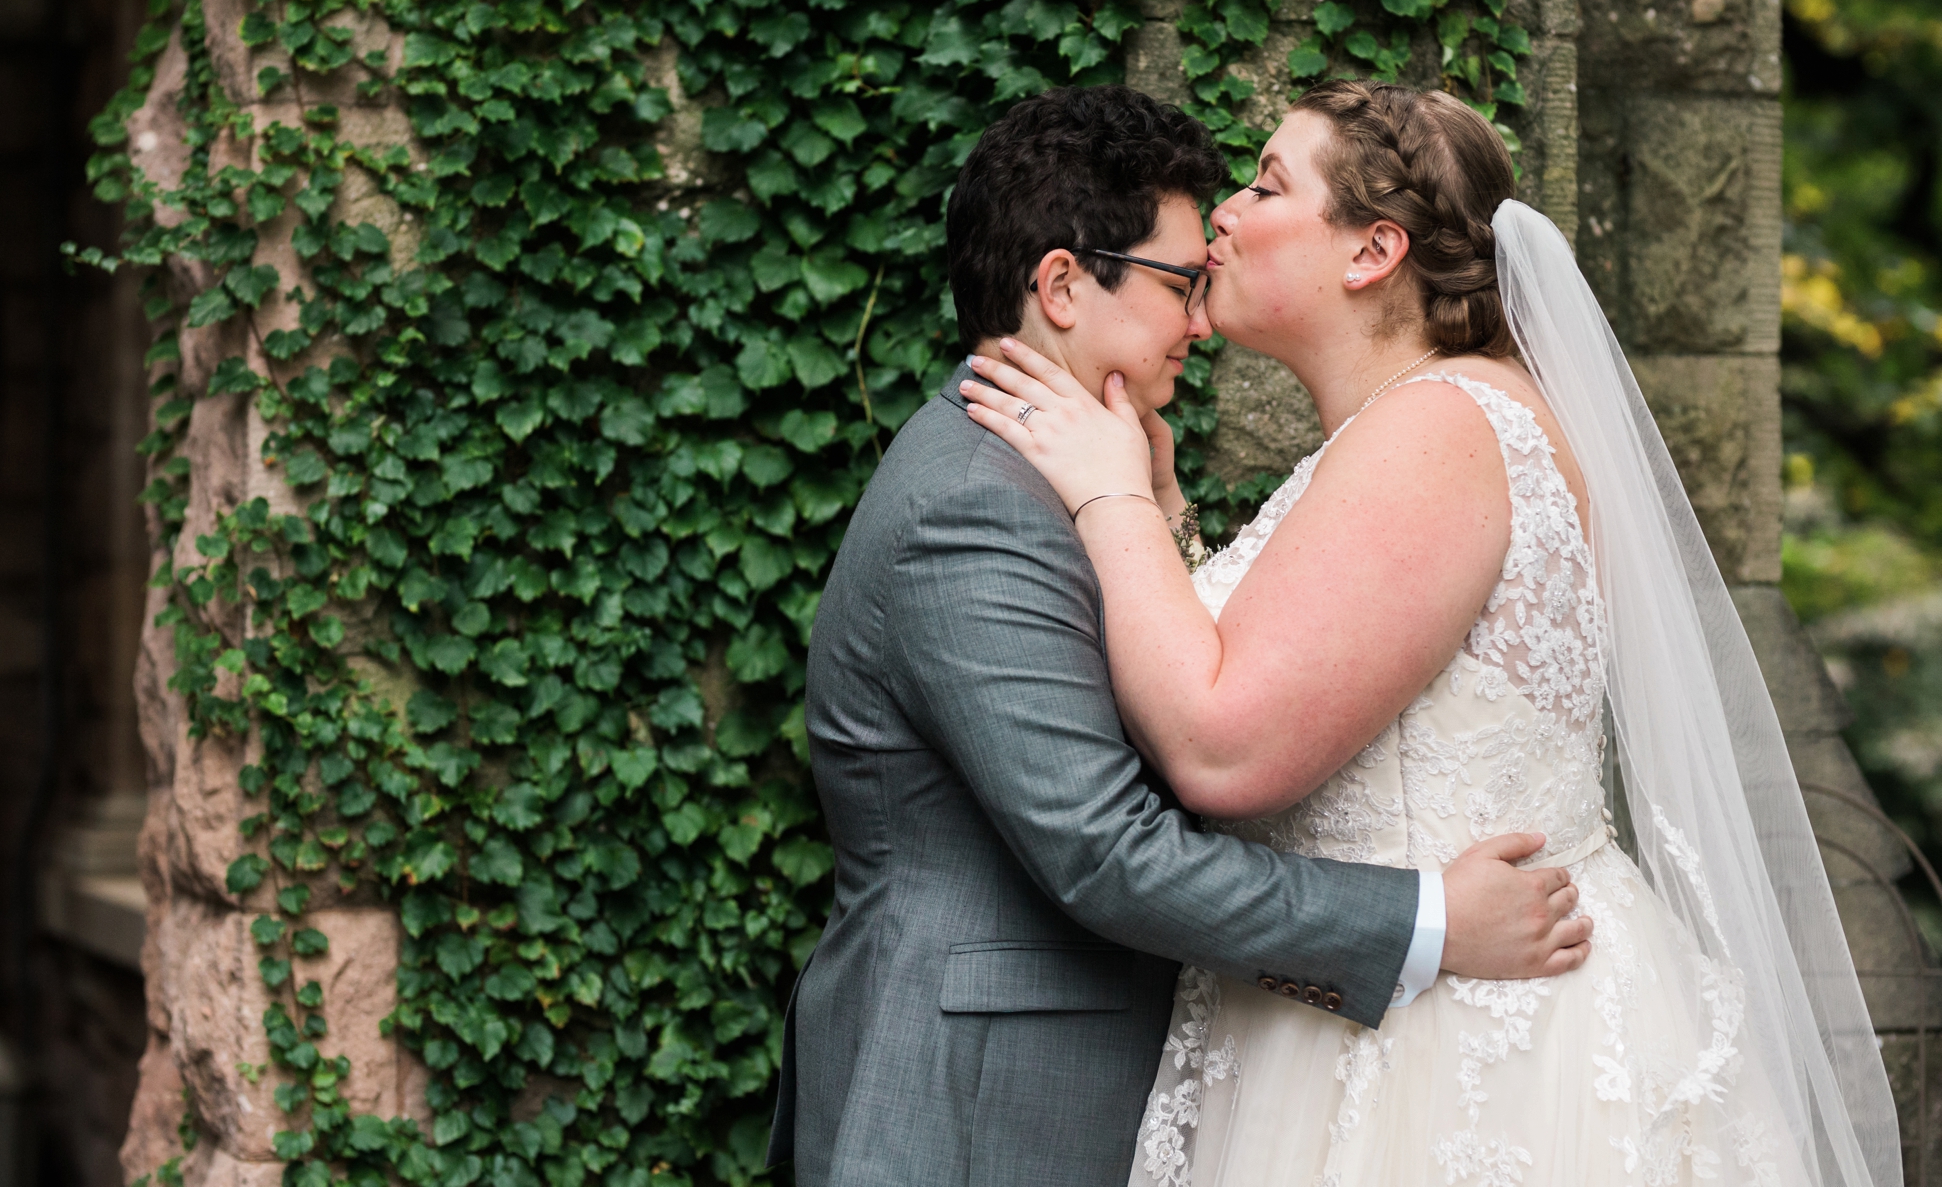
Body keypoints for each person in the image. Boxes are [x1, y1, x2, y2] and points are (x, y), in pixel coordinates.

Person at [961, 80, 1899, 1186]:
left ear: (1370, 252)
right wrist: (1163, 517)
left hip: (1447, 1058)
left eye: (1265, 185)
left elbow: (1223, 747)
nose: (1221, 214)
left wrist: (1105, 498)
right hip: (1366, 1004)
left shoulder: (1436, 432)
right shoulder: (1419, 421)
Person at [766, 85, 1596, 1187]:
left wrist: (1147, 515)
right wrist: (1428, 919)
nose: (1198, 320)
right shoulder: (972, 502)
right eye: (1175, 284)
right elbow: (1108, 848)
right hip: (972, 1105)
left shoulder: (1066, 470)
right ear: (1063, 285)